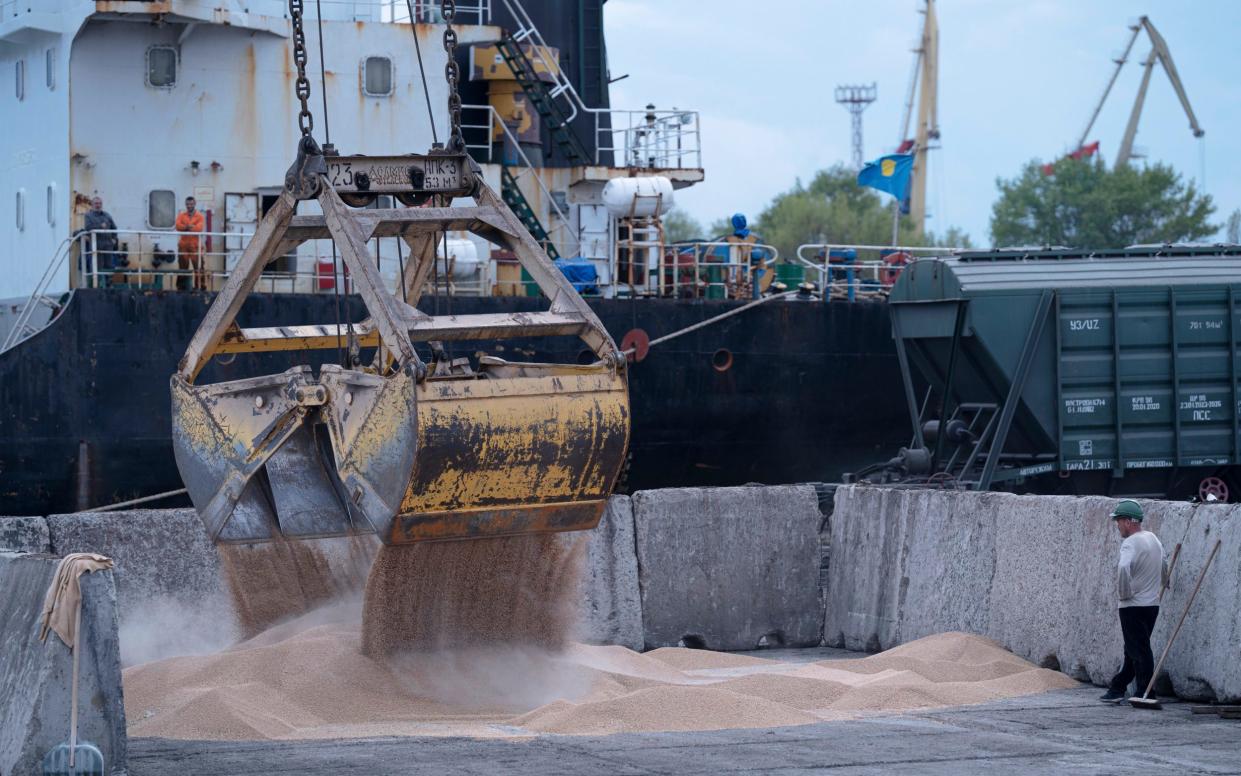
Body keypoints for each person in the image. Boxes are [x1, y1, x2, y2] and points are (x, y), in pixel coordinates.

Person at [1100, 499, 1168, 703]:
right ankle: (1117, 688)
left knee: (1139, 650)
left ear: (1128, 521)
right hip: (1152, 605)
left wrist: (1124, 593)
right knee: (1133, 648)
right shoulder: (1153, 538)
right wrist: (1165, 581)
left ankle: (1145, 692)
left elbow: (1123, 568)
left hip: (1132, 606)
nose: (1117, 526)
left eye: (1118, 521)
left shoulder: (1129, 543)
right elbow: (1164, 561)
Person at [79, 197, 118, 282]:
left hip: (108, 245)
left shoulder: (107, 215)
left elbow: (114, 228)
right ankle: (97, 284)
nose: (98, 205)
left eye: (100, 203)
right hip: (96, 245)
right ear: (92, 205)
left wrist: (114, 239)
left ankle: (109, 284)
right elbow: (88, 228)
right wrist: (100, 226)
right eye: (96, 203)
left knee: (109, 265)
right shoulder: (88, 216)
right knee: (97, 266)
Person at [176, 196, 207, 291]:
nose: (189, 206)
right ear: (186, 204)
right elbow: (177, 226)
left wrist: (185, 227)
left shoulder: (200, 216)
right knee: (182, 268)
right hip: (183, 246)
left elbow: (199, 228)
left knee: (198, 268)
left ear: (194, 204)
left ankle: (200, 287)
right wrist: (188, 227)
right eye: (188, 204)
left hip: (195, 246)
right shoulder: (181, 215)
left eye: (191, 204)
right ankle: (181, 287)